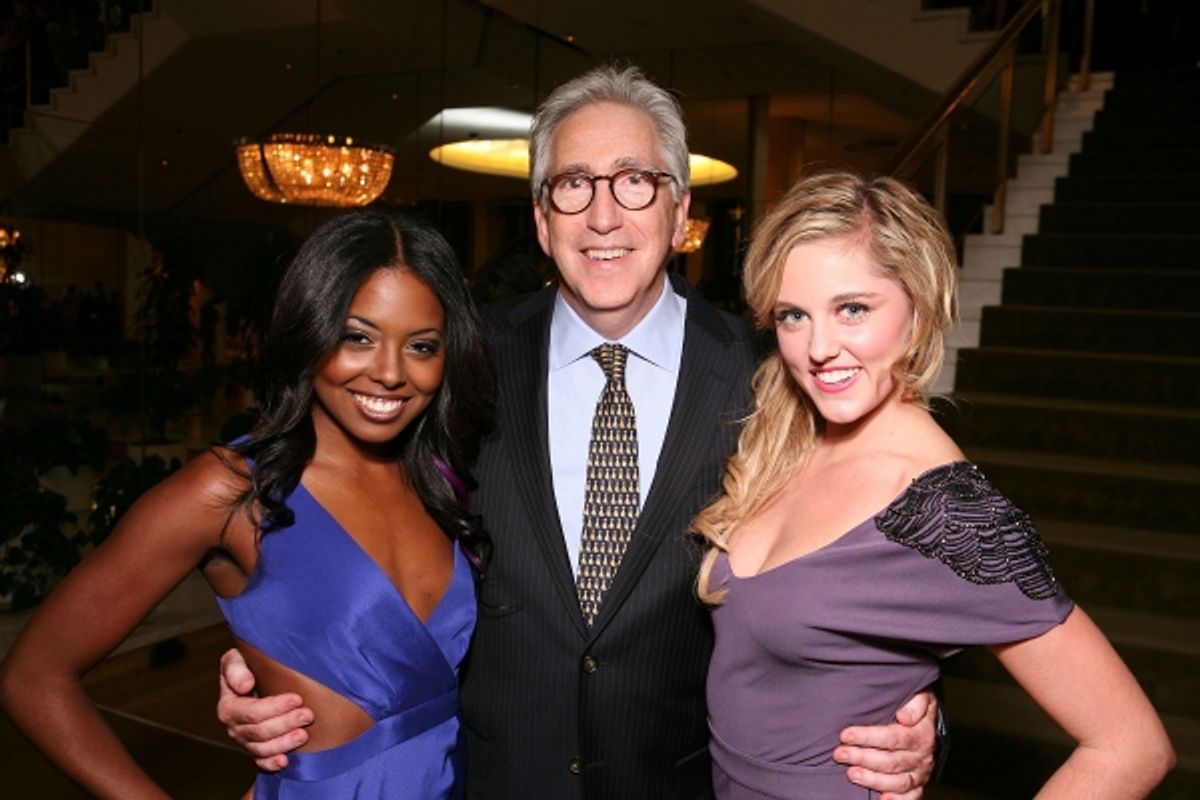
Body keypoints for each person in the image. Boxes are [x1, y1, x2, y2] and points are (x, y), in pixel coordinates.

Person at [217, 65, 940, 800]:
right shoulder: (457, 361)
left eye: (634, 181)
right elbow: (343, 520)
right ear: (540, 217)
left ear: (679, 205)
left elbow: (873, 580)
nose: (603, 217)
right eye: (573, 185)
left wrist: (920, 721)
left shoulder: (771, 378)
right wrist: (269, 655)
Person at [692, 170, 1176, 799]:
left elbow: (1131, 747)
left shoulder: (946, 511)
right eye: (793, 316)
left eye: (854, 309)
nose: (819, 348)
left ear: (917, 308)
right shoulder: (786, 441)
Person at [0, 210, 494, 799]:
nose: (389, 372)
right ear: (310, 330)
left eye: (421, 345)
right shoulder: (228, 491)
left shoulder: (443, 480)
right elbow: (33, 677)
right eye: (357, 336)